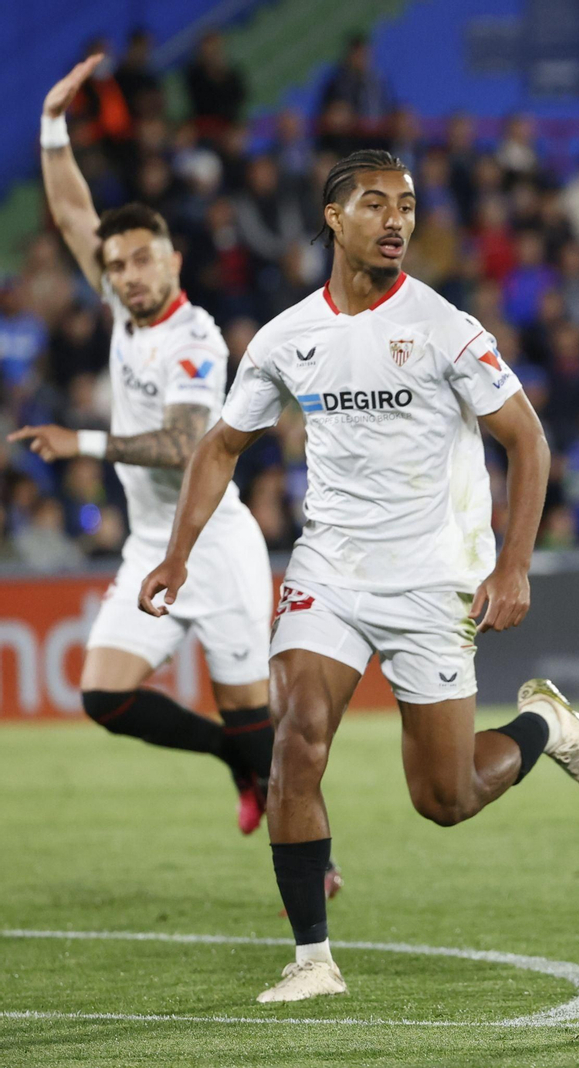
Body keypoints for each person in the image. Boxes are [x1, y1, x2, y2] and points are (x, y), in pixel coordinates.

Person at [138, 148, 579, 1004]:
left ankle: (546, 725)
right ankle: (312, 960)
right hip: (331, 565)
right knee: (294, 742)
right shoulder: (288, 338)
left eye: (407, 205)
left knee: (447, 795)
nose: (397, 219)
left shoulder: (444, 327)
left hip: (433, 578)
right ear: (333, 217)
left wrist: (514, 565)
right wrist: (176, 554)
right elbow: (220, 447)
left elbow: (528, 439)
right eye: (375, 203)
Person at [15, 55, 282, 841]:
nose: (127, 276)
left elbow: (185, 442)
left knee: (252, 718)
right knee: (104, 696)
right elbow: (71, 215)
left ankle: (311, 863)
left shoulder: (194, 339)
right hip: (147, 544)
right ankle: (236, 765)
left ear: (172, 261)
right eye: (117, 264)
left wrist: (85, 440)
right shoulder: (126, 313)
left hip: (216, 544)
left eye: (141, 260)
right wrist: (53, 126)